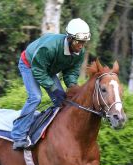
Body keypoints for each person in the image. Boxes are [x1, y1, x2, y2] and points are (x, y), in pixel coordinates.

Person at [11, 18, 91, 150]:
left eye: (84, 42)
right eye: (79, 42)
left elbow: (71, 72)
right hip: (30, 65)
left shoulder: (79, 53)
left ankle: (55, 134)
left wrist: (73, 88)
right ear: (70, 38)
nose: (81, 45)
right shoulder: (49, 47)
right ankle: (18, 136)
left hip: (47, 69)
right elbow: (38, 70)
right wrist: (54, 88)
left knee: (62, 101)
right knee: (35, 97)